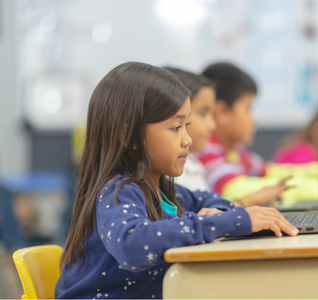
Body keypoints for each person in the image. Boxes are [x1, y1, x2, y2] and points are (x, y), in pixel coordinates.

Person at [55, 62, 298, 299]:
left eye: (187, 125)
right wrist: (225, 222)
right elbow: (132, 245)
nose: (187, 139)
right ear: (129, 135)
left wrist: (220, 215)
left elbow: (213, 199)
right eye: (175, 128)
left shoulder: (167, 191)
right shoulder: (118, 191)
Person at [199, 62, 318, 207]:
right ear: (222, 113)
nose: (253, 119)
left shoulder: (237, 153)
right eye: (248, 109)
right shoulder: (206, 149)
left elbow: (271, 171)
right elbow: (234, 189)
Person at [164, 67, 290, 207]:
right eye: (203, 113)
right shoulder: (205, 153)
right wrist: (253, 199)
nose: (212, 125)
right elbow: (202, 218)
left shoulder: (196, 164)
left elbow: (206, 213)